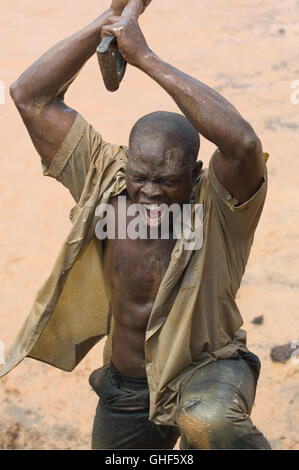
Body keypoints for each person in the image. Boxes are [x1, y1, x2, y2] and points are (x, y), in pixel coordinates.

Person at [2, 0, 271, 449]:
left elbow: (242, 142)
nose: (148, 193)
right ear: (126, 164)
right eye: (140, 177)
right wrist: (110, 20)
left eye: (166, 182)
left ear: (195, 175)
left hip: (204, 374)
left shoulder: (219, 206)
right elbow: (29, 95)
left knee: (207, 422)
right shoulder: (106, 178)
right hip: (126, 388)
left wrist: (145, 58)